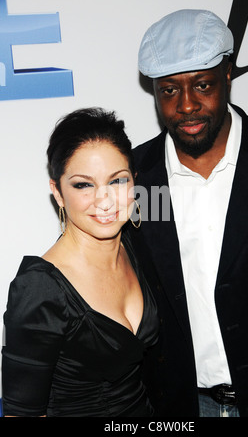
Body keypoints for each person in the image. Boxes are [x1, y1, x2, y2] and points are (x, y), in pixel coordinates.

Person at [131, 9, 248, 417]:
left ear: (228, 76)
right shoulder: (136, 178)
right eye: (169, 91)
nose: (187, 105)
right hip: (184, 405)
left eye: (202, 85)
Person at [2, 107, 159, 417]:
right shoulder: (39, 290)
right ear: (58, 193)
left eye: (117, 181)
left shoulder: (136, 248)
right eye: (83, 185)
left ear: (134, 182)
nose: (104, 200)